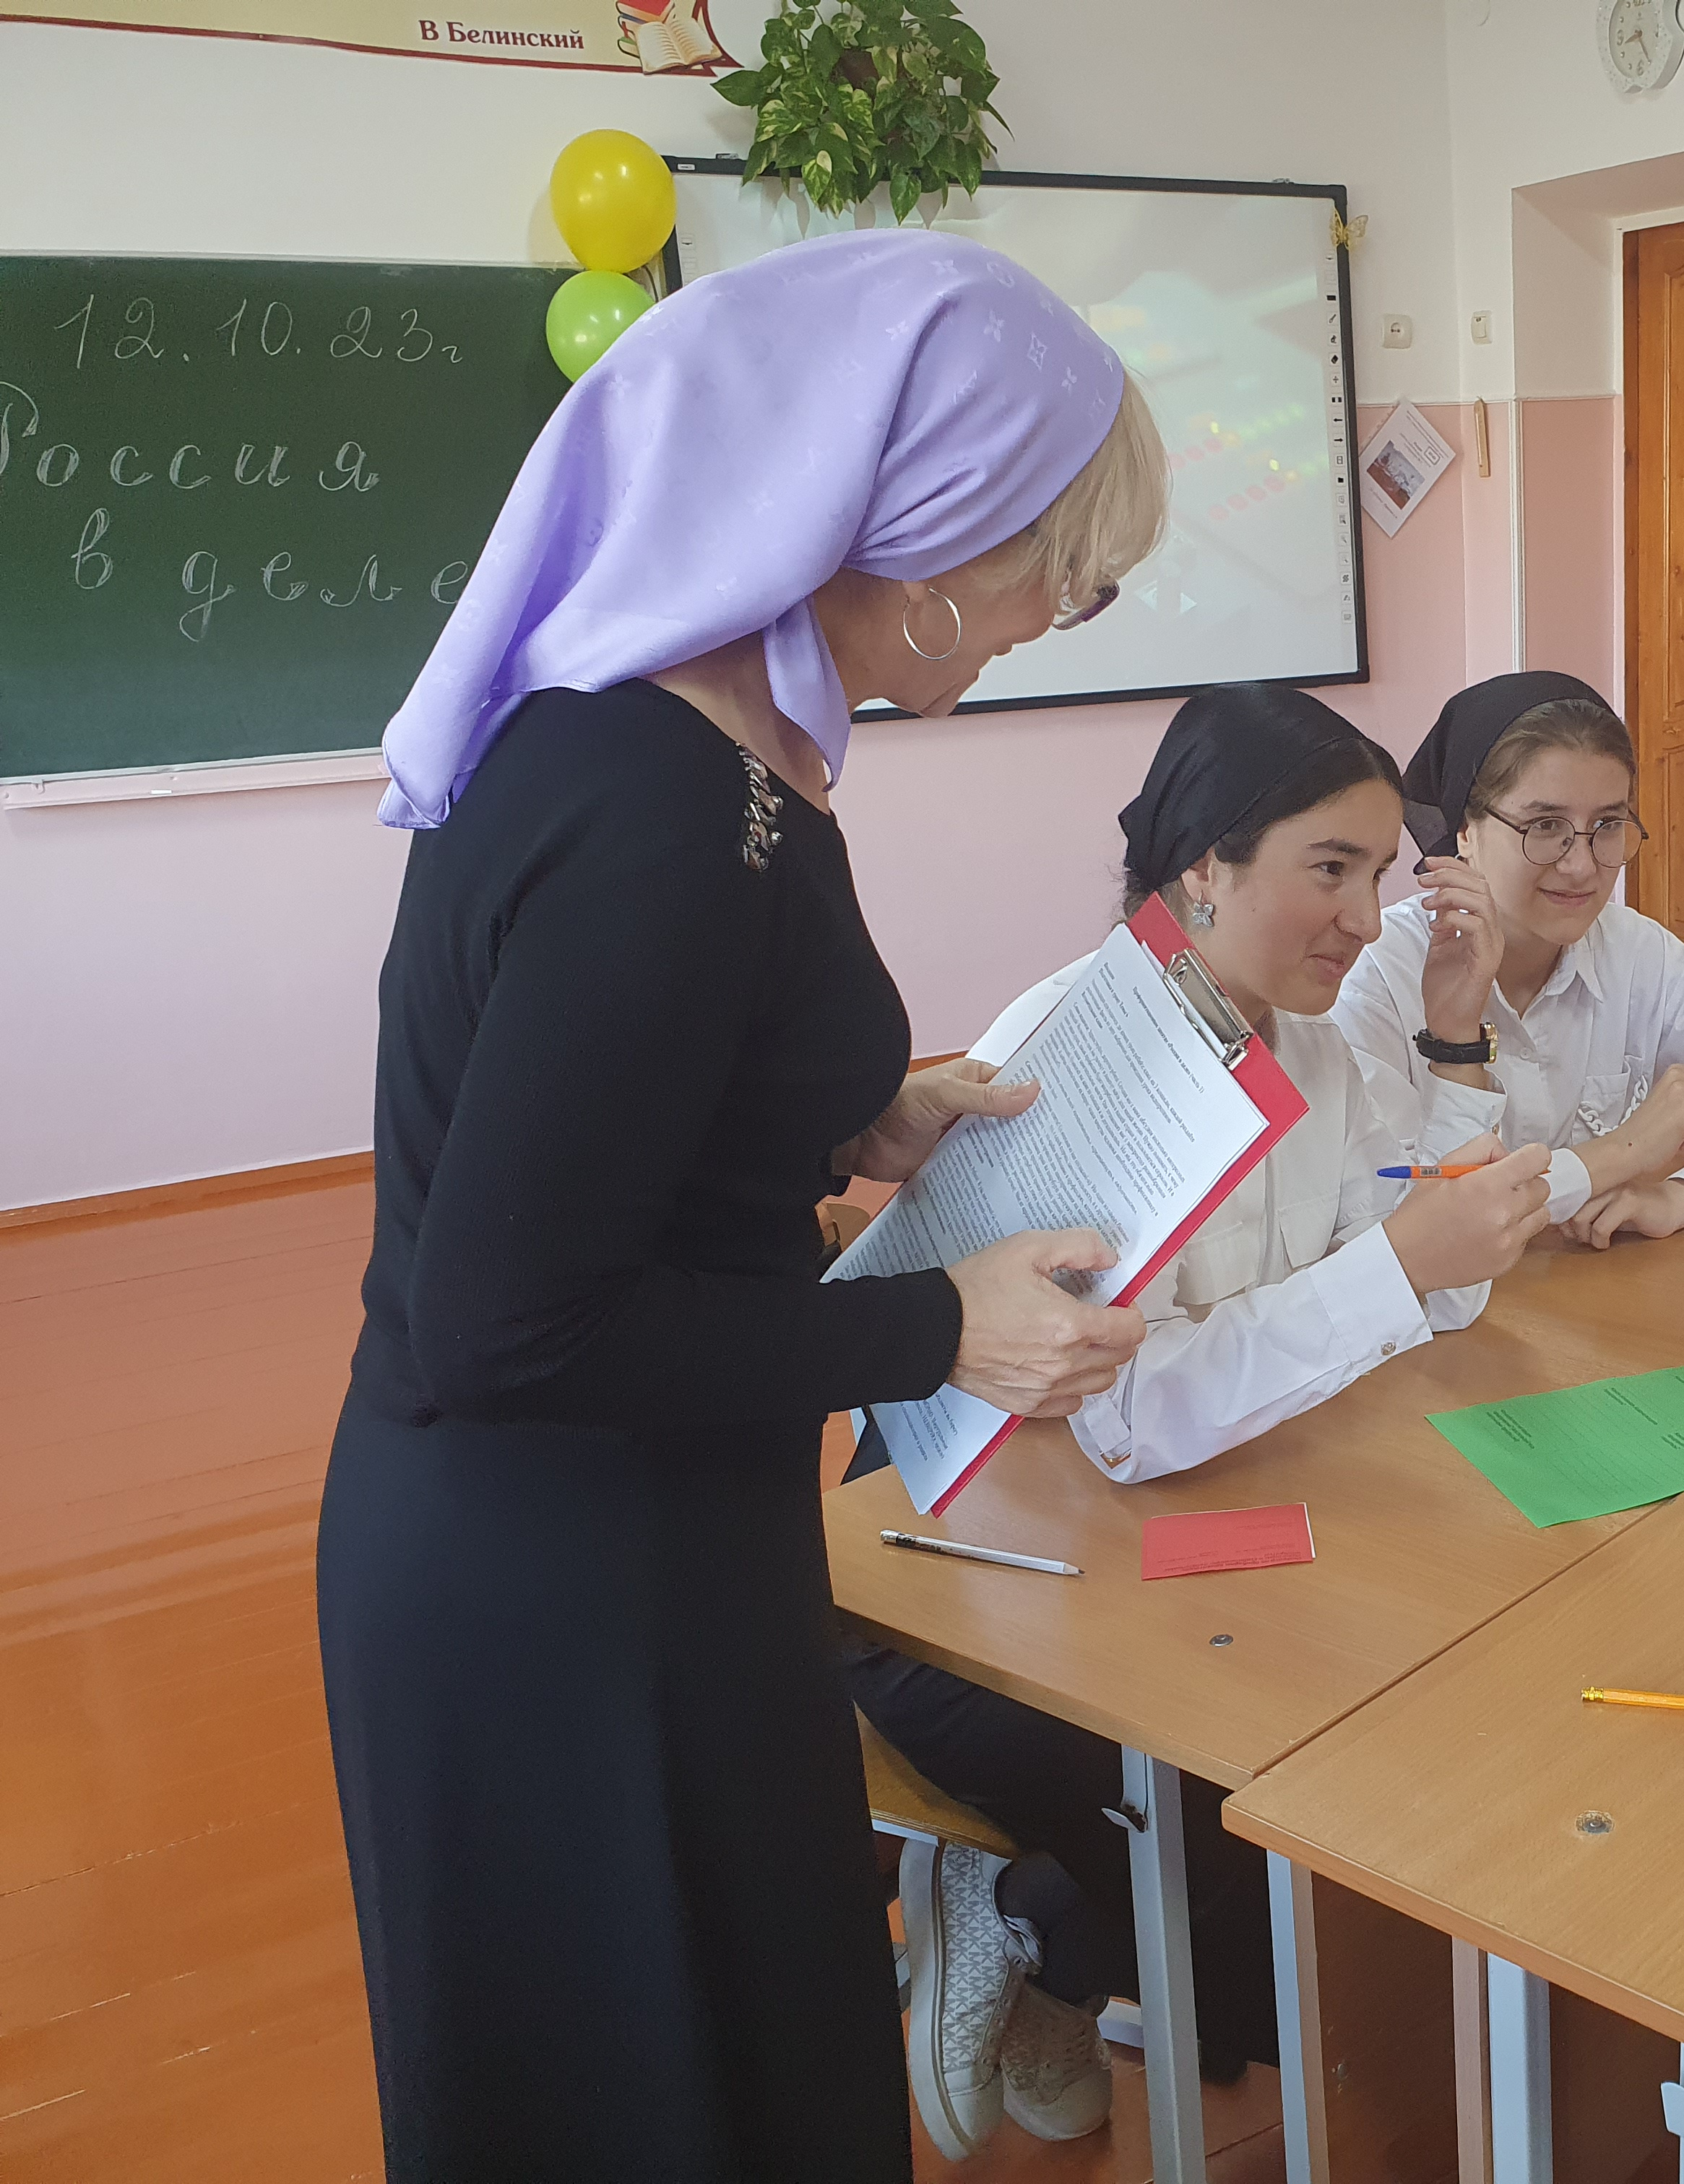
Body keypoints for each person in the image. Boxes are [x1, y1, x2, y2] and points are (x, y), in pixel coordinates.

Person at [319, 230, 1169, 2184]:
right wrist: (942, 1325)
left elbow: (639, 1107)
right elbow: (507, 1325)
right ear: (926, 531)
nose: (1053, 618)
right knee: (650, 2089)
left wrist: (859, 1113)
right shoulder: (661, 816)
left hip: (650, 1525)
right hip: (557, 1579)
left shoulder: (707, 741)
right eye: (1057, 569)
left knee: (752, 2044)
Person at [846, 682, 1558, 2152]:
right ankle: (1035, 1915)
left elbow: (1432, 1284)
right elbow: (1128, 1414)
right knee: (1253, 1848)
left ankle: (1053, 1930)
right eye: (1328, 866)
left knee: (1401, 1746)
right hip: (963, 1573)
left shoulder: (1307, 1040)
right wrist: (1398, 1266)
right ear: (1202, 867)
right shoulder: (1082, 1053)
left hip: (1163, 1524)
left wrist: (1449, 1042)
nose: (1364, 917)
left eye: (1380, 871)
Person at [1334, 672, 1684, 1249]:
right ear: (1465, 829)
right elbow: (1392, 1230)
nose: (1582, 866)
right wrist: (1625, 1151)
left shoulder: (1638, 955)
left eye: (1608, 825)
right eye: (1546, 827)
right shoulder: (1374, 978)